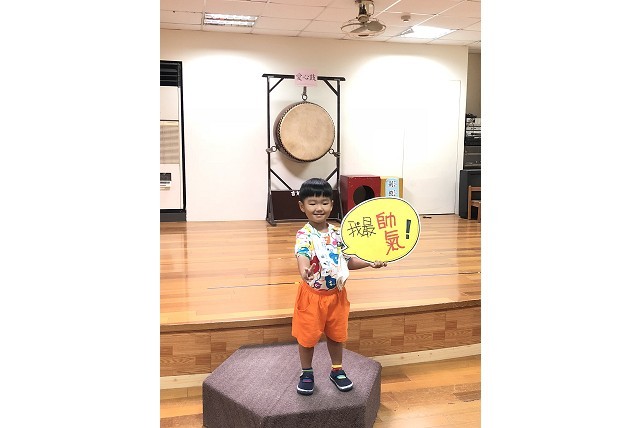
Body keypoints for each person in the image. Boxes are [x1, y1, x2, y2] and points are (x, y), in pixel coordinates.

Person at [292, 177, 387, 396]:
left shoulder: (338, 233)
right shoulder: (304, 234)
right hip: (312, 297)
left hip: (337, 296)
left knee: (337, 336)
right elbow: (302, 255)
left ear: (332, 204)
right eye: (312, 203)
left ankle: (337, 370)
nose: (319, 208)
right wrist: (305, 270)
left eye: (324, 202)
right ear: (302, 206)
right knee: (307, 338)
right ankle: (306, 373)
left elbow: (348, 261)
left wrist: (369, 262)